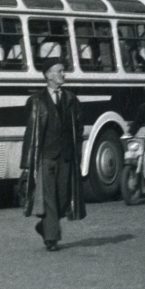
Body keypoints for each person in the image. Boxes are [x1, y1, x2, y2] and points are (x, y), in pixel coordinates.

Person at [19, 62, 85, 250]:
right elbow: (31, 131)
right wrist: (27, 161)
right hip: (46, 156)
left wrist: (77, 152)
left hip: (66, 155)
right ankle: (51, 238)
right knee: (49, 198)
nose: (64, 74)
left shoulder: (71, 99)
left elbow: (79, 127)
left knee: (63, 197)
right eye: (59, 71)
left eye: (63, 71)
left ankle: (44, 226)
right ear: (48, 75)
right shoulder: (36, 100)